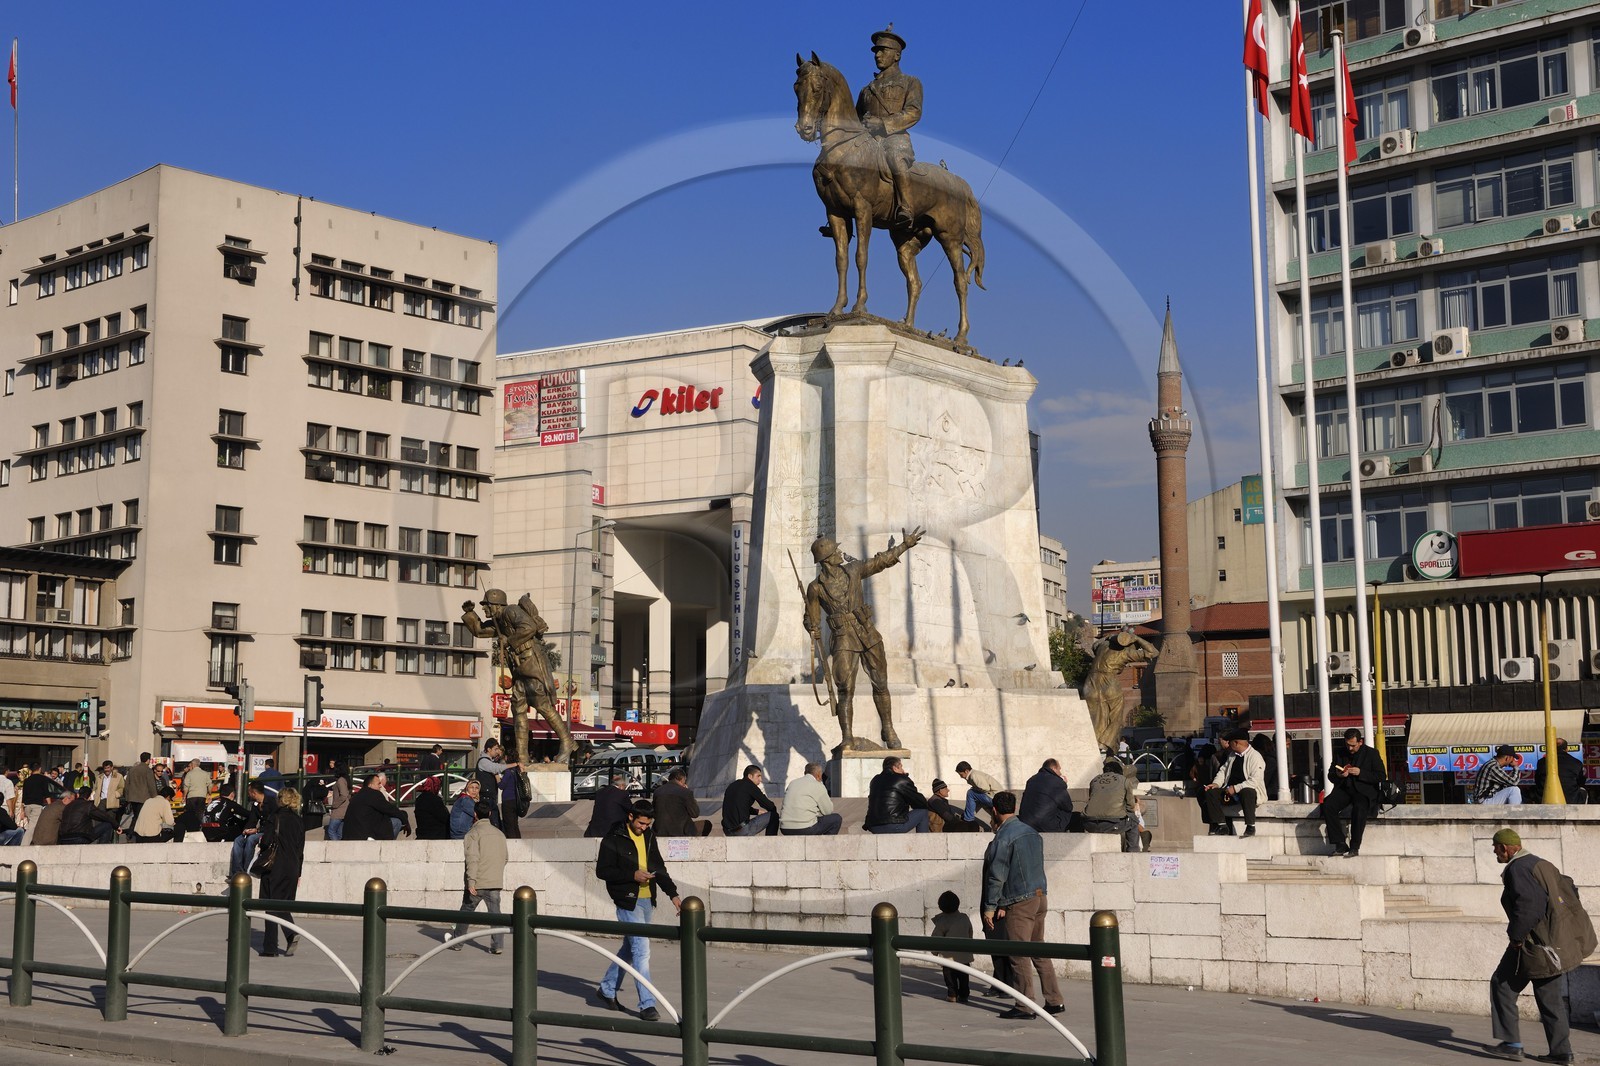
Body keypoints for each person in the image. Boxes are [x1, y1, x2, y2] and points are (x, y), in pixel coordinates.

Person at [803, 528, 923, 751]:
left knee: (880, 683)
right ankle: (847, 736)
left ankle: (888, 729)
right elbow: (810, 617)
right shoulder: (815, 588)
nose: (840, 553)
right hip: (842, 639)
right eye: (836, 551)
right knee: (845, 689)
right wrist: (811, 626)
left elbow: (879, 562)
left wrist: (904, 546)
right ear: (827, 559)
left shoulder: (854, 569)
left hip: (867, 632)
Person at [1485, 828, 1577, 1063]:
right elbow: (1570, 889)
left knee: (1502, 985)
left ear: (1505, 848)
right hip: (1552, 945)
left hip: (1529, 945)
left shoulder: (1518, 869)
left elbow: (1530, 905)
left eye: (1495, 847)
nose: (1494, 851)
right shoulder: (1540, 863)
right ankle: (1561, 1052)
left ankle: (1511, 1044)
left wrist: (1516, 937)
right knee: (1550, 999)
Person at [594, 800, 682, 1021]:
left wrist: (673, 895)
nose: (644, 827)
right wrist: (632, 875)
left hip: (646, 900)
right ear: (631, 817)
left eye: (648, 824)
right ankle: (647, 1004)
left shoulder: (649, 836)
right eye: (641, 823)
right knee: (642, 951)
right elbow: (602, 870)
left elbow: (659, 867)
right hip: (626, 900)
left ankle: (606, 988)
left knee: (630, 949)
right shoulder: (613, 837)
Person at [462, 590, 576, 761]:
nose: (484, 609)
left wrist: (509, 640)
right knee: (518, 707)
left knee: (541, 704)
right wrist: (470, 613)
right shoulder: (498, 622)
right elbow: (479, 631)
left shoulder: (511, 611)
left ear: (496, 605)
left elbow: (529, 627)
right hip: (519, 667)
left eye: (485, 606)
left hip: (532, 663)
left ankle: (567, 741)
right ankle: (522, 756)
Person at [981, 791, 1065, 1020]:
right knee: (1039, 951)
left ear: (995, 811)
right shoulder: (1032, 833)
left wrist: (991, 905)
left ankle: (1024, 1005)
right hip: (1040, 897)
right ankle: (1054, 1001)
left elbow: (997, 875)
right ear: (1015, 807)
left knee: (1018, 956)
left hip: (1019, 901)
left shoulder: (1003, 837)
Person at [856, 25, 921, 227]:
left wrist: (882, 124)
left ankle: (906, 208)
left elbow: (913, 112)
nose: (878, 55)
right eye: (876, 51)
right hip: (868, 141)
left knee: (894, 156)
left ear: (897, 56)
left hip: (895, 138)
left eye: (883, 51)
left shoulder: (910, 82)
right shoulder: (866, 90)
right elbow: (855, 120)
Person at [1081, 629, 1158, 749]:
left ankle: (1092, 744)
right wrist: (1136, 638)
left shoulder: (1103, 646)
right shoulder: (1126, 652)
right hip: (1109, 681)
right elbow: (1153, 652)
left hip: (1090, 682)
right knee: (1115, 715)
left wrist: (1110, 637)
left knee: (1094, 716)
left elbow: (1094, 645)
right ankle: (1107, 746)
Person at [448, 801, 508, 954]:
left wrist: (471, 881)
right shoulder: (500, 834)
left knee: (466, 911)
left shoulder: (472, 834)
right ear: (489, 814)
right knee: (495, 914)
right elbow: (505, 858)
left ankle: (457, 942)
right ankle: (497, 945)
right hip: (494, 880)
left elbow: (472, 859)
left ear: (475, 815)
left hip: (478, 880)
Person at [1320, 727, 1386, 857]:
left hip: (1364, 791)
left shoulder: (1372, 753)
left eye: (1353, 745)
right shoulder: (1340, 752)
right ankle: (1340, 843)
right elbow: (1330, 774)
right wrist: (1339, 775)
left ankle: (1355, 846)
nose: (1350, 748)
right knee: (1328, 805)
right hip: (1345, 789)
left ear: (1360, 742)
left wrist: (1361, 773)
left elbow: (1381, 776)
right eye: (1347, 745)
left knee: (1359, 808)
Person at [258, 786, 306, 958]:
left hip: (275, 865)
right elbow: (301, 849)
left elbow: (267, 841)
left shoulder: (275, 817)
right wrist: (299, 872)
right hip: (292, 866)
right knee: (283, 904)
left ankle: (271, 947)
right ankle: (291, 933)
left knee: (270, 905)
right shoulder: (299, 820)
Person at [1201, 729, 1267, 838]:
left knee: (1248, 791)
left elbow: (1255, 780)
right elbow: (1223, 771)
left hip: (1244, 791)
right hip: (1229, 790)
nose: (1228, 744)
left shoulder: (1255, 757)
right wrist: (1216, 783)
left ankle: (1250, 826)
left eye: (1230, 742)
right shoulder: (1232, 755)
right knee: (1209, 792)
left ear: (1236, 743)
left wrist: (1236, 788)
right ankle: (1221, 824)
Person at [1083, 760, 1140, 851]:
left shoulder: (1094, 780)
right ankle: (1133, 853)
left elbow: (1092, 799)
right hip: (1112, 824)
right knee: (1133, 820)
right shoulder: (1125, 780)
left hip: (1089, 824)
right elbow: (1130, 806)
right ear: (1120, 771)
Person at [931, 890, 974, 1003]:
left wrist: (934, 952)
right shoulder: (964, 917)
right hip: (964, 955)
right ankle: (964, 995)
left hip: (949, 957)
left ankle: (952, 994)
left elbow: (936, 938)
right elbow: (970, 931)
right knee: (964, 977)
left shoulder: (942, 921)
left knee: (950, 977)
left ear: (941, 906)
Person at [343, 773, 410, 840]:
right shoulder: (374, 794)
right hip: (365, 835)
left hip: (350, 834)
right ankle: (388, 846)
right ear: (370, 785)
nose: (380, 786)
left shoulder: (356, 796)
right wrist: (405, 821)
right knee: (396, 822)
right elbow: (391, 810)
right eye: (378, 784)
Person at [780, 763, 842, 835]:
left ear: (805, 773)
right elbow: (828, 811)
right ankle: (824, 845)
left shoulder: (792, 783)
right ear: (819, 775)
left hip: (785, 828)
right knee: (836, 819)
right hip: (805, 828)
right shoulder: (817, 785)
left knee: (815, 822)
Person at [721, 764, 780, 836]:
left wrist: (756, 811)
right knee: (774, 816)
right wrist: (773, 810)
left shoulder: (732, 785)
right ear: (750, 776)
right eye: (758, 776)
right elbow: (770, 806)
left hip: (728, 831)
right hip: (742, 830)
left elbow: (738, 805)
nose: (760, 780)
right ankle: (770, 844)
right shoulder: (750, 785)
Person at [1018, 759, 1074, 833]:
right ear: (1054, 768)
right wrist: (1063, 784)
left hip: (1026, 822)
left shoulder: (1031, 780)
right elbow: (1068, 806)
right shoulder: (1057, 782)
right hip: (1046, 825)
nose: (1060, 773)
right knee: (1070, 814)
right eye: (1059, 769)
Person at [653, 767, 711, 838]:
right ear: (682, 779)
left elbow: (654, 813)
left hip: (660, 831)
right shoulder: (685, 792)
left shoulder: (657, 791)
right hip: (681, 832)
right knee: (706, 824)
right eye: (685, 781)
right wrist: (691, 798)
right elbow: (695, 813)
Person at [473, 741, 520, 829]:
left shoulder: (491, 761)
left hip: (491, 797)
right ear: (488, 749)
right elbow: (496, 768)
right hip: (486, 798)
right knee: (493, 824)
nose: (497, 751)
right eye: (495, 749)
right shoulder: (483, 761)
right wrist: (514, 764)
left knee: (496, 823)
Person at [230, 783, 273, 874]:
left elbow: (272, 823)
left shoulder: (271, 802)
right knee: (238, 840)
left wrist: (257, 830)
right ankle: (237, 871)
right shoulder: (255, 805)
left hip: (267, 831)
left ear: (253, 793)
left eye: (249, 792)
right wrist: (246, 830)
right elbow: (252, 820)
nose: (248, 795)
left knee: (251, 839)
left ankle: (246, 869)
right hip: (259, 830)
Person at [1534, 739, 1587, 804]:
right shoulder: (1576, 763)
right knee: (1583, 791)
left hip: (1545, 799)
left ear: (1551, 747)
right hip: (1571, 800)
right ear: (1567, 749)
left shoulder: (1541, 762)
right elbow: (1580, 782)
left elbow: (1537, 780)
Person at [122, 752, 161, 833]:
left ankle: (131, 833)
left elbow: (127, 784)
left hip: (133, 798)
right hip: (144, 798)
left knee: (136, 816)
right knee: (142, 817)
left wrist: (127, 797)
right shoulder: (148, 770)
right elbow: (151, 785)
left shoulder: (132, 770)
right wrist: (155, 797)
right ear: (147, 760)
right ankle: (135, 833)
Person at [324, 762, 352, 841]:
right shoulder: (346, 779)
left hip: (339, 810)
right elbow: (348, 794)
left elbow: (343, 794)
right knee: (339, 833)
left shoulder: (340, 780)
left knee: (331, 830)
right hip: (345, 809)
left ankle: (336, 849)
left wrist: (335, 804)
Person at [499, 766, 524, 839]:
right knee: (515, 824)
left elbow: (501, 786)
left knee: (509, 825)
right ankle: (519, 843)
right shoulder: (517, 770)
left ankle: (512, 845)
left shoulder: (508, 771)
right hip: (516, 800)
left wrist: (496, 776)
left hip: (508, 800)